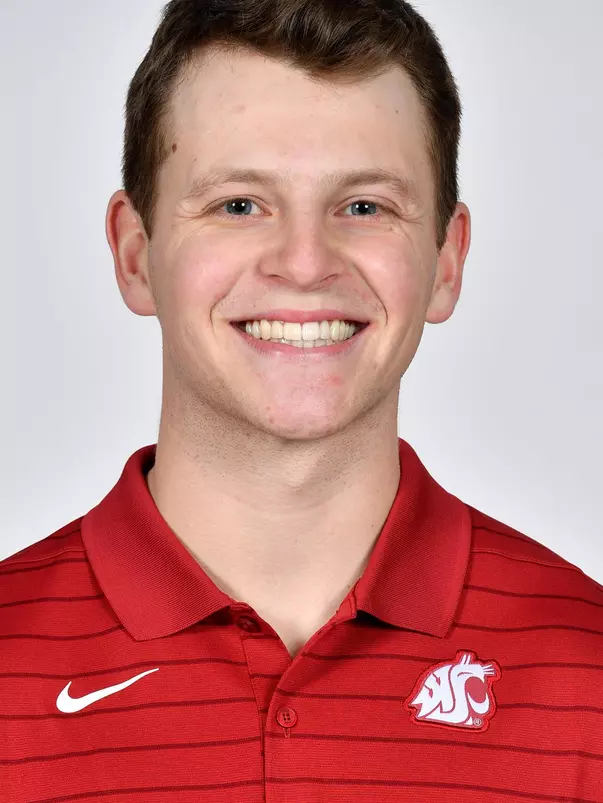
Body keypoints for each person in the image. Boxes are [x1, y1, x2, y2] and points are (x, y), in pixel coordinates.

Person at [2, 0, 602, 800]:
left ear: (446, 261)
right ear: (135, 254)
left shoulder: (588, 667)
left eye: (364, 207)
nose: (305, 260)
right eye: (238, 204)